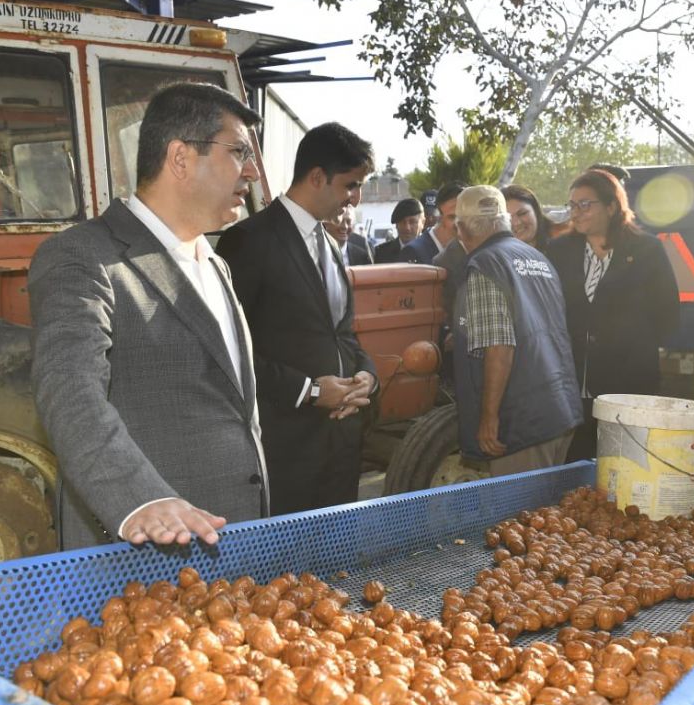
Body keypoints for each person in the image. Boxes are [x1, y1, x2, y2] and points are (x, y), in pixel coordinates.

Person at [29, 82, 268, 550]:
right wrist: (139, 500)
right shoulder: (82, 256)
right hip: (143, 562)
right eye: (239, 151)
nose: (254, 172)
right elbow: (67, 387)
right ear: (181, 158)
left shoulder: (216, 264)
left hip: (231, 550)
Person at [216, 122, 378, 516]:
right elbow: (228, 353)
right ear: (317, 177)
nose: (355, 199)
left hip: (340, 450)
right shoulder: (248, 240)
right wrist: (312, 392)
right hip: (284, 453)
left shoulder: (334, 246)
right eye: (350, 185)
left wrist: (367, 378)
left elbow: (345, 337)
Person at [546, 169, 679, 462]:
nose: (576, 212)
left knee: (623, 465)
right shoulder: (559, 250)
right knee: (574, 469)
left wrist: (631, 345)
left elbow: (667, 312)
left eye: (585, 204)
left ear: (611, 206)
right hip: (572, 384)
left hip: (627, 383)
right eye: (572, 205)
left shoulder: (646, 250)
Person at [451, 185, 582, 476]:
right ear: (503, 221)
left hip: (523, 425)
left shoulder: (484, 265)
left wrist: (488, 418)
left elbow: (500, 346)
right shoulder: (537, 259)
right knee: (545, 515)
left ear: (461, 228)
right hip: (559, 411)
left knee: (517, 518)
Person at [400, 182, 464, 264]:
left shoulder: (469, 248)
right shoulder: (413, 252)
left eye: (465, 216)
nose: (459, 222)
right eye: (452, 217)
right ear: (440, 217)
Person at [502, 184, 554, 251]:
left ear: (536, 211)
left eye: (522, 213)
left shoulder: (560, 244)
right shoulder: (496, 255)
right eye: (508, 218)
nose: (516, 223)